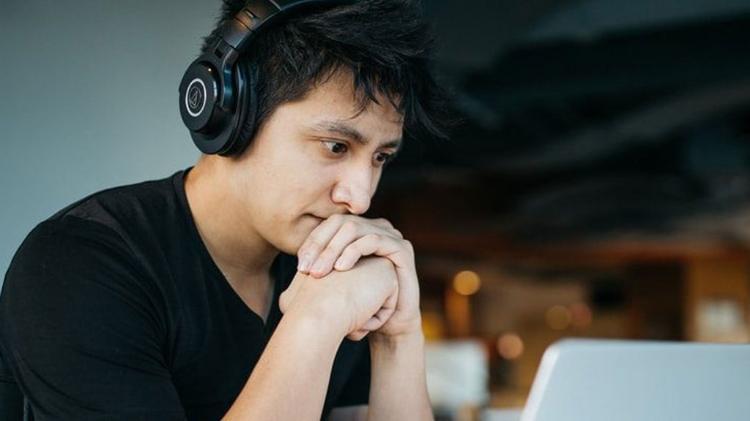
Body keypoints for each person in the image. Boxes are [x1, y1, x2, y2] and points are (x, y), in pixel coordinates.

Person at [0, 0, 450, 419]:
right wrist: (315, 320)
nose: (360, 198)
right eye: (335, 146)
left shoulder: (334, 266)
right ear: (232, 115)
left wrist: (397, 338)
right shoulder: (79, 265)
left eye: (380, 158)